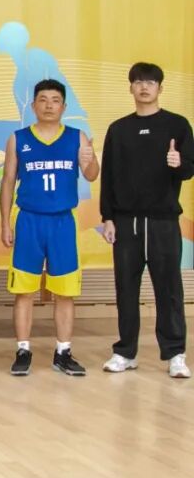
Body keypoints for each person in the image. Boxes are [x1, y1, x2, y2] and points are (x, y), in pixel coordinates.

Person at [100, 62, 193, 378]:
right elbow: (109, 177)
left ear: (160, 88)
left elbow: (189, 169)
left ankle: (175, 353)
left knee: (169, 289)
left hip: (163, 221)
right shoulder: (119, 129)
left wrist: (178, 162)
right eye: (139, 81)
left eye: (151, 82)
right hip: (126, 222)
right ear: (131, 87)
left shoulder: (177, 125)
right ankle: (125, 352)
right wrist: (108, 217)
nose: (144, 87)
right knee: (126, 288)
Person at [0, 79, 99, 376]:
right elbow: (8, 182)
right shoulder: (18, 139)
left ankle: (63, 352)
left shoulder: (77, 137)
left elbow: (92, 175)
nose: (48, 105)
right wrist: (5, 222)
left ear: (64, 106)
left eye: (55, 100)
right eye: (42, 100)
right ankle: (23, 350)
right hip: (29, 220)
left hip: (62, 222)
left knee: (65, 291)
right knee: (24, 291)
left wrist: (90, 159)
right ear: (33, 105)